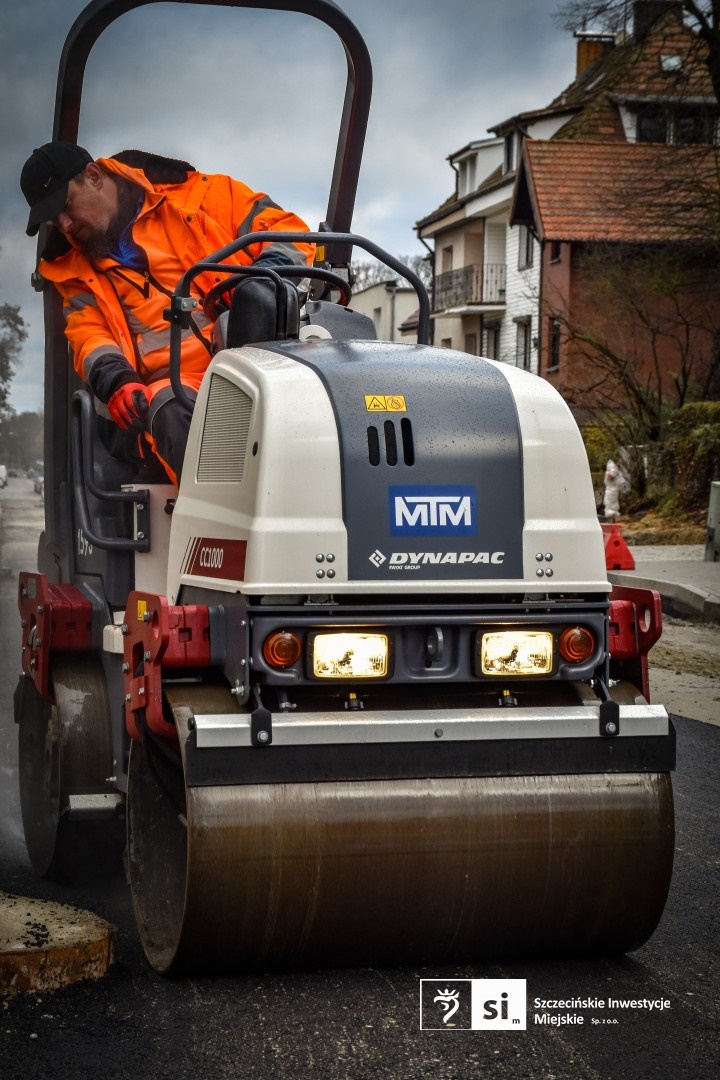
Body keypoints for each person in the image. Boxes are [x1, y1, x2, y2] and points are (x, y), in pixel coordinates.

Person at [21, 141, 315, 483]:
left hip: (258, 364)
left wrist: (264, 279)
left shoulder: (200, 197)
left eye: (66, 206)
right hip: (175, 386)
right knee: (170, 408)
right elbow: (89, 335)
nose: (65, 224)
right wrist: (117, 380)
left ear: (94, 176)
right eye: (54, 219)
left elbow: (286, 230)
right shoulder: (70, 270)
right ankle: (225, 523)